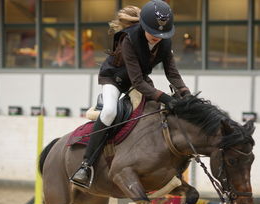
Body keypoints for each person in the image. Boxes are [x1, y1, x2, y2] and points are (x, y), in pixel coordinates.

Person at [70, 0, 191, 188]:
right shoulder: (129, 39)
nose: (157, 37)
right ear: (143, 26)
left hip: (139, 79)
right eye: (153, 32)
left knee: (154, 111)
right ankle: (86, 165)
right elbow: (137, 82)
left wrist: (185, 93)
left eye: (161, 33)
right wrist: (166, 97)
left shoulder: (165, 42)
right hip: (115, 79)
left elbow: (172, 73)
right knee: (110, 111)